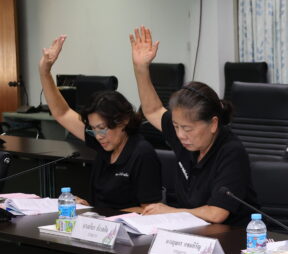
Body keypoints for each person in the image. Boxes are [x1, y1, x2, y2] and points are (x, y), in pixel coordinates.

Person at [130, 26, 255, 225]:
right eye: (176, 126)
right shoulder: (184, 136)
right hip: (191, 232)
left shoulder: (231, 152)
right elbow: (152, 110)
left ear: (213, 124)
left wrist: (170, 212)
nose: (180, 135)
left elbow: (216, 214)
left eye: (187, 129)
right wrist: (141, 69)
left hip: (232, 236)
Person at [38, 35, 161, 211]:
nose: (98, 136)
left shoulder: (141, 154)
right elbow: (62, 113)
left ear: (123, 121)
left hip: (126, 226)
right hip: (99, 222)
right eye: (93, 129)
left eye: (102, 128)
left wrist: (99, 212)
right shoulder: (103, 142)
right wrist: (44, 71)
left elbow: (150, 212)